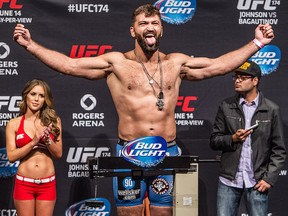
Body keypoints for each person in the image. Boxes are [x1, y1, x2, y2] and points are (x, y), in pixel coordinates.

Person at [13, 4, 275, 216]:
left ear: (161, 29)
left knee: (163, 213)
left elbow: (219, 65)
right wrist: (30, 45)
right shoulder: (116, 63)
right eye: (143, 23)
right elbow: (69, 65)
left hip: (166, 151)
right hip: (129, 152)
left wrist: (257, 43)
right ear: (132, 30)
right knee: (131, 213)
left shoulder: (176, 63)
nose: (150, 28)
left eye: (155, 23)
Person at [210, 60, 286, 216]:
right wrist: (233, 138)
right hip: (229, 180)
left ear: (255, 81)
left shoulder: (271, 110)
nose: (237, 80)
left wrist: (269, 178)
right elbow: (214, 140)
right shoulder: (226, 106)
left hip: (257, 180)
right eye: (236, 77)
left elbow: (279, 150)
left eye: (243, 77)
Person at [6, 79, 63, 216]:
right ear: (26, 95)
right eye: (33, 94)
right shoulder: (13, 124)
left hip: (47, 184)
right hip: (24, 184)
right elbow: (11, 156)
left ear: (45, 99)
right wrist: (33, 142)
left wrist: (46, 138)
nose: (37, 99)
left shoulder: (53, 121)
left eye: (41, 96)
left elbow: (58, 154)